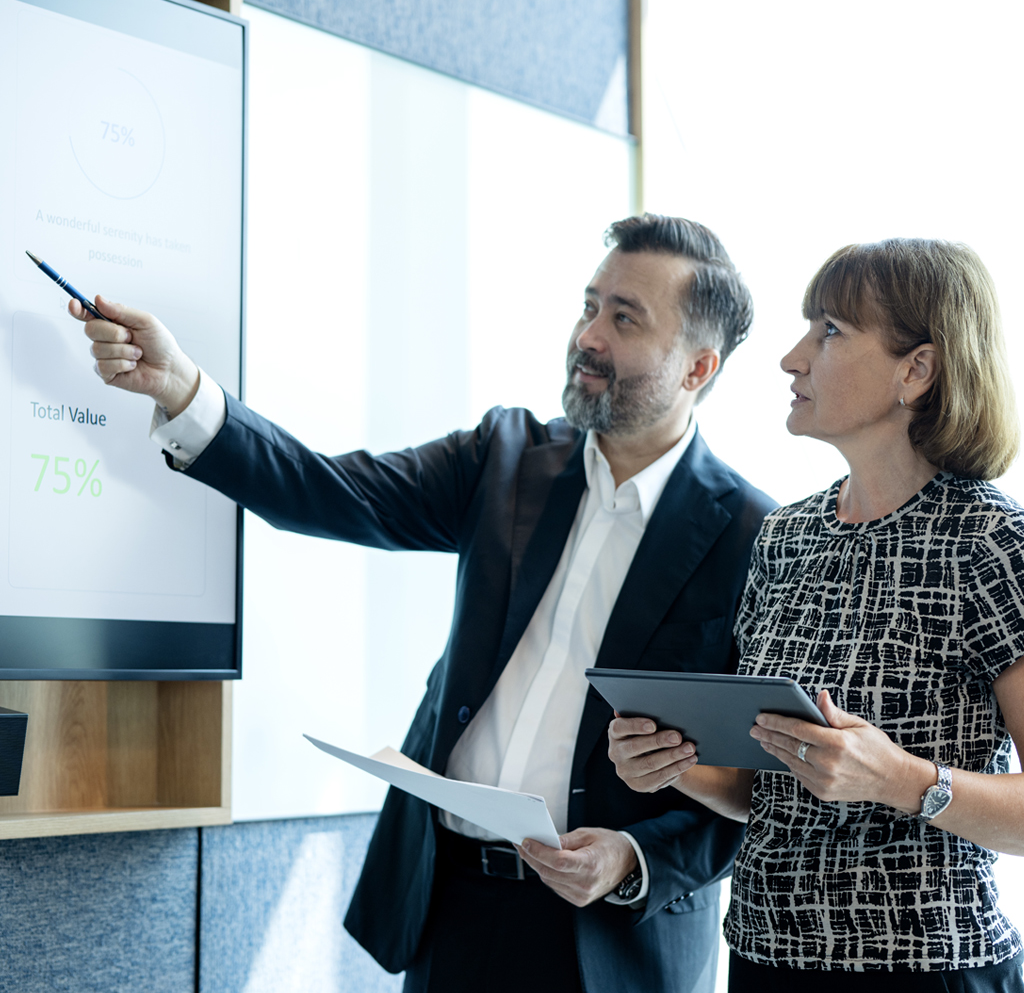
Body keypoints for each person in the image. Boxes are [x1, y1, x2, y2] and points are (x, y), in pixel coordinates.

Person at [71, 213, 775, 993]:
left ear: (698, 366)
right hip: (453, 912)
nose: (588, 336)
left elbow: (766, 791)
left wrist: (633, 858)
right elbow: (329, 491)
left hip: (612, 942)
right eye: (589, 304)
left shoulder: (756, 536)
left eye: (624, 317)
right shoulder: (504, 459)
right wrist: (182, 390)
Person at [609, 237, 1024, 991]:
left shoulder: (994, 543)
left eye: (829, 330)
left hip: (927, 969)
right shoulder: (786, 537)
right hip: (766, 962)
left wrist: (902, 779)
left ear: (916, 370)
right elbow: (767, 788)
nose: (792, 358)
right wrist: (682, 769)